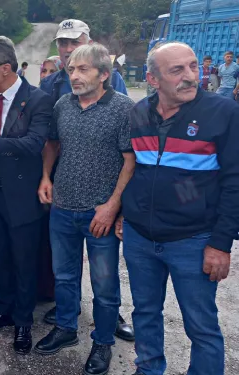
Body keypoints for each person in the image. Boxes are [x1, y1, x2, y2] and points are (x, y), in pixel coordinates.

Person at [117, 42, 238, 375]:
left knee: (201, 326)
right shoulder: (138, 113)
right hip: (141, 239)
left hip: (194, 241)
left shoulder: (223, 112)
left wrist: (220, 243)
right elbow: (137, 171)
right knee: (145, 313)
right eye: (177, 70)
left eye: (193, 67)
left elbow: (234, 182)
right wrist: (126, 214)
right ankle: (149, 369)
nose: (190, 77)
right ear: (153, 79)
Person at [34, 44, 136, 375]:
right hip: (62, 209)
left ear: (104, 74)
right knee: (64, 276)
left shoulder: (123, 109)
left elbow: (130, 161)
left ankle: (103, 342)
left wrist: (112, 206)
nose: (74, 76)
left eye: (83, 70)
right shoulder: (63, 104)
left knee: (105, 285)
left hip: (100, 214)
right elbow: (52, 143)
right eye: (71, 70)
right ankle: (65, 328)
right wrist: (46, 177)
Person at [0, 36, 53, 356]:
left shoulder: (38, 100)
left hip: (22, 195)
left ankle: (23, 322)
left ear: (5, 68)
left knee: (23, 261)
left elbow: (34, 144)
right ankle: (3, 310)